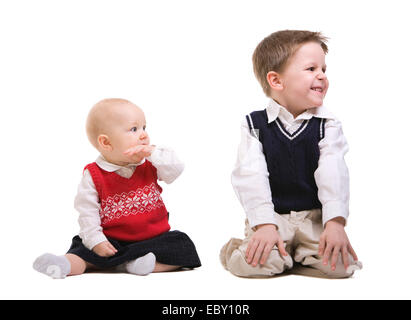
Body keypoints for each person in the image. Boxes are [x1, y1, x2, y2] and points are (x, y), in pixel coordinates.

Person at [220, 30, 362, 278]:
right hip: (274, 217)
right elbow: (250, 176)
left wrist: (334, 223)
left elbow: (334, 173)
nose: (321, 76)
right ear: (276, 81)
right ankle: (241, 250)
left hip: (313, 218)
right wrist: (264, 225)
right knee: (255, 265)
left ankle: (298, 252)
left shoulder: (327, 124)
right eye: (311, 69)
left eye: (324, 69)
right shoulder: (255, 124)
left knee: (343, 267)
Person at [33, 98, 201, 278]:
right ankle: (63, 264)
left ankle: (137, 264)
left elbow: (175, 171)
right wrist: (96, 241)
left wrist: (153, 153)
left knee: (182, 246)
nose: (144, 135)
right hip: (112, 241)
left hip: (153, 238)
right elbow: (87, 212)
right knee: (82, 252)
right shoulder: (94, 175)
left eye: (144, 127)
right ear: (106, 143)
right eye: (134, 129)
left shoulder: (151, 163)